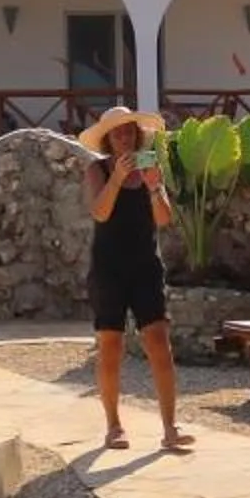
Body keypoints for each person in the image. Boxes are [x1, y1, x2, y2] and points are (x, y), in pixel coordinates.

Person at [77, 105, 189, 453]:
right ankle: (113, 426)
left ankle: (170, 427)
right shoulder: (96, 170)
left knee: (158, 342)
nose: (125, 137)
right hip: (108, 268)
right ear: (109, 139)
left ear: (137, 135)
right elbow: (99, 211)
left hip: (144, 266)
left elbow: (164, 218)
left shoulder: (148, 167)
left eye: (129, 131)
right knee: (110, 345)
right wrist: (115, 179)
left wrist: (155, 187)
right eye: (117, 133)